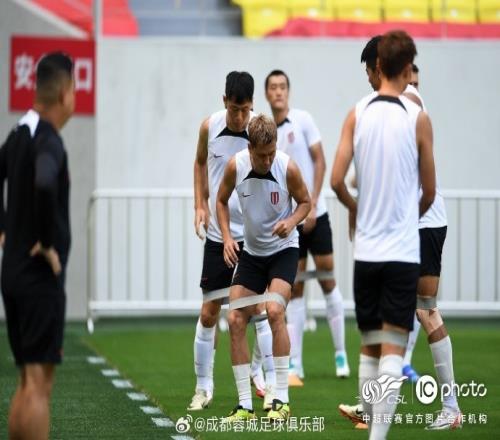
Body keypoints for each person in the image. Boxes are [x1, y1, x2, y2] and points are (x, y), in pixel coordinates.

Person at [339, 36, 461, 432]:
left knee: (423, 310)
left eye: (369, 70)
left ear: (380, 66)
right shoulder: (384, 106)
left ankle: (451, 406)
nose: (368, 78)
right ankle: (372, 405)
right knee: (399, 319)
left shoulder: (405, 102)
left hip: (418, 224)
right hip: (407, 225)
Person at [189, 71, 276, 411]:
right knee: (210, 311)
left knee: (259, 311)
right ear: (224, 101)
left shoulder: (259, 132)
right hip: (218, 235)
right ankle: (203, 387)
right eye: (234, 109)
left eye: (245, 110)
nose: (240, 117)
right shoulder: (208, 127)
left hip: (253, 239)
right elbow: (199, 163)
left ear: (253, 105)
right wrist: (200, 203)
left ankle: (265, 381)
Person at [216, 114, 310, 422]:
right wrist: (227, 238)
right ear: (249, 149)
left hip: (284, 250)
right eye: (261, 155)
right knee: (234, 318)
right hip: (253, 253)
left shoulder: (287, 168)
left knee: (274, 311)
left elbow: (305, 203)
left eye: (271, 153)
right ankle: (245, 405)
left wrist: (291, 221)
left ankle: (281, 399)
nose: (267, 160)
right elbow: (220, 201)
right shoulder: (236, 166)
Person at [0, 52, 74, 440]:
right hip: (39, 277)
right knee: (39, 385)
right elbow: (45, 182)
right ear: (65, 93)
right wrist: (47, 244)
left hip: (12, 273)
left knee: (27, 380)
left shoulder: (18, 134)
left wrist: (4, 229)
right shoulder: (48, 139)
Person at [264, 70, 350, 386]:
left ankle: (340, 355)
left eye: (282, 87)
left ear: (288, 91)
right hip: (292, 221)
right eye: (273, 88)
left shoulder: (303, 120)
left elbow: (320, 161)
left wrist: (311, 203)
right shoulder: (265, 130)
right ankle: (296, 363)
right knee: (296, 287)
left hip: (318, 213)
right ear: (267, 93)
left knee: (327, 279)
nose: (278, 92)